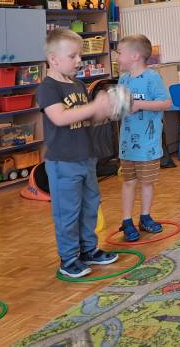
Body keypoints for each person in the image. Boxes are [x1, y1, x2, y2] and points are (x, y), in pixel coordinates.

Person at [37, 28, 119, 278]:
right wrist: (94, 106)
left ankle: (88, 250)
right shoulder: (48, 88)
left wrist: (106, 110)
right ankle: (69, 258)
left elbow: (87, 118)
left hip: (86, 157)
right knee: (68, 212)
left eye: (79, 55)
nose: (79, 61)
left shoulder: (78, 85)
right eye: (72, 56)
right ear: (53, 59)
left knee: (90, 206)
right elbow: (60, 117)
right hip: (63, 162)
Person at [115, 34, 172, 242]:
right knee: (128, 182)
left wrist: (140, 104)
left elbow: (166, 103)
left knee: (147, 183)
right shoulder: (123, 79)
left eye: (120, 53)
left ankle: (145, 217)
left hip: (148, 146)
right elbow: (120, 108)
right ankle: (127, 221)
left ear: (135, 55)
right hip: (127, 145)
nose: (117, 57)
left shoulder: (152, 78)